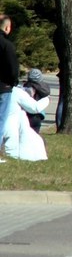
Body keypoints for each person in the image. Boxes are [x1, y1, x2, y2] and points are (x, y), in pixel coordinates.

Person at [0, 15, 19, 161]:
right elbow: (13, 68)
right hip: (3, 87)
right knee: (1, 119)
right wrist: (13, 82)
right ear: (7, 28)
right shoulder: (7, 45)